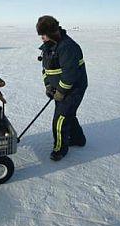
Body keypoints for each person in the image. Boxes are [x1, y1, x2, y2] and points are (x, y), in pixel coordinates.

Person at [36, 15, 88, 161]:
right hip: (60, 88)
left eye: (44, 35)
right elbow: (46, 69)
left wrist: (61, 91)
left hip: (74, 89)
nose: (42, 38)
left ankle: (60, 149)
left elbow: (70, 75)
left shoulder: (68, 47)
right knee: (67, 114)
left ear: (52, 33)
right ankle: (78, 139)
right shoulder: (49, 46)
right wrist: (48, 85)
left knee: (60, 119)